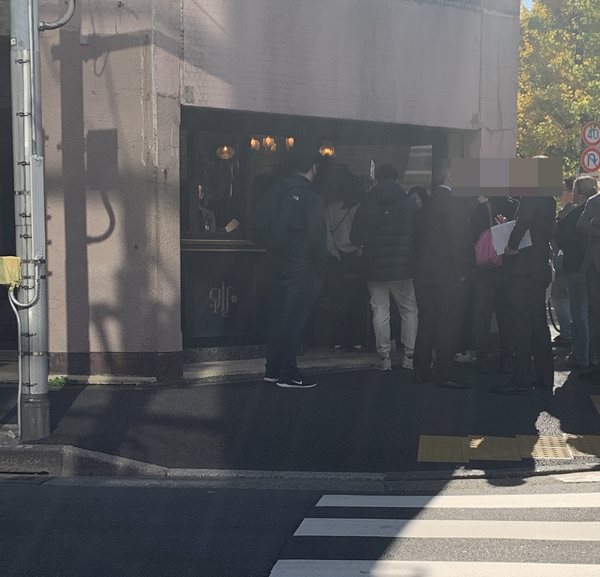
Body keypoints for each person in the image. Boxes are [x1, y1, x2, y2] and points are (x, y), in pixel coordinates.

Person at [257, 142, 327, 389]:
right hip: (301, 266)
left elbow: (257, 224)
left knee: (277, 318)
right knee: (294, 320)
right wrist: (320, 270)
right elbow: (318, 239)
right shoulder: (311, 198)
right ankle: (288, 371)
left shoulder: (274, 191)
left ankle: (273, 368)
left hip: (274, 263)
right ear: (313, 167)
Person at [351, 164, 417, 371]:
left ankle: (384, 357)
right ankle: (409, 356)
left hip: (375, 267)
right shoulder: (409, 205)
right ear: (397, 179)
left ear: (377, 180)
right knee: (409, 310)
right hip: (403, 266)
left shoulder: (367, 205)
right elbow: (419, 235)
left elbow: (355, 237)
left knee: (380, 311)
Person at [413, 161, 473, 387]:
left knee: (427, 321)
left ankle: (421, 369)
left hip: (425, 272)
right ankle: (445, 371)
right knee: (448, 323)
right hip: (449, 273)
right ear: (450, 176)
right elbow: (458, 239)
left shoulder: (426, 203)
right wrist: (462, 270)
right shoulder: (454, 203)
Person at [491, 190, 556, 394]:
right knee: (539, 323)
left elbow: (525, 220)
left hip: (523, 269)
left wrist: (511, 244)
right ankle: (545, 377)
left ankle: (521, 379)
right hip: (539, 267)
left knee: (521, 324)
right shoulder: (549, 199)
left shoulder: (531, 196)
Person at [556, 175, 598, 370]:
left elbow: (562, 236)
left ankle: (581, 355)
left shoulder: (576, 214)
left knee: (579, 313)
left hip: (578, 266)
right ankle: (591, 356)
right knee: (590, 313)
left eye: (574, 190)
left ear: (579, 193)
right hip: (590, 266)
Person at [470, 196, 516, 373]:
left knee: (482, 315)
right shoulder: (515, 206)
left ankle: (481, 357)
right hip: (507, 267)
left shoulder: (481, 207)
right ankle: (506, 356)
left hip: (484, 270)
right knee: (506, 315)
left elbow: (472, 234)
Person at [326, 173, 366, 350]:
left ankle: (338, 339)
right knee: (358, 300)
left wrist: (334, 252)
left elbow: (327, 233)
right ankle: (357, 338)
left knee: (338, 300)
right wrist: (361, 250)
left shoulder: (331, 208)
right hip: (357, 256)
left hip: (337, 258)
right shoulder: (362, 207)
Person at [576, 177, 600, 384]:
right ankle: (595, 362)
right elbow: (581, 226)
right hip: (595, 265)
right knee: (594, 314)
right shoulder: (594, 202)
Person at [550, 177, 576, 348]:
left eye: (563, 190)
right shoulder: (567, 210)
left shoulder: (569, 211)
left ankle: (567, 332)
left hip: (564, 258)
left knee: (559, 294)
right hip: (563, 258)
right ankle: (568, 331)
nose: (560, 193)